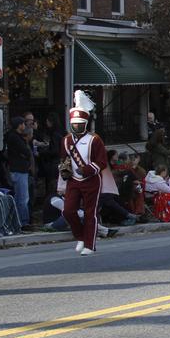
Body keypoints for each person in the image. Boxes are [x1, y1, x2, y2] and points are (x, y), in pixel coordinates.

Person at [61, 91, 108, 256]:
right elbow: (64, 159)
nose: (77, 126)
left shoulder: (95, 140)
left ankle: (90, 244)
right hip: (73, 180)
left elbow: (102, 162)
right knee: (68, 211)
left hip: (91, 180)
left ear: (85, 124)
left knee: (90, 213)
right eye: (74, 124)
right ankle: (80, 236)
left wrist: (87, 169)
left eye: (80, 124)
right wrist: (64, 171)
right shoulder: (66, 140)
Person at [5, 116, 33, 228]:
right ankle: (23, 221)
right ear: (19, 125)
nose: (24, 126)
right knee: (23, 197)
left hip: (17, 169)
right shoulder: (15, 137)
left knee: (18, 197)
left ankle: (16, 220)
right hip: (19, 169)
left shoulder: (13, 137)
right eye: (23, 124)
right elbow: (25, 151)